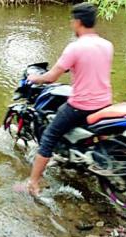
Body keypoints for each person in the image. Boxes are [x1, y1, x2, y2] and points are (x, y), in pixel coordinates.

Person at [26, 2, 114, 196]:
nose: (71, 24)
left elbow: (51, 77)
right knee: (102, 133)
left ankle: (33, 183)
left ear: (78, 22)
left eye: (72, 21)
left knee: (49, 137)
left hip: (80, 106)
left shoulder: (75, 48)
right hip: (105, 104)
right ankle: (96, 157)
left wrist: (35, 78)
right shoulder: (107, 45)